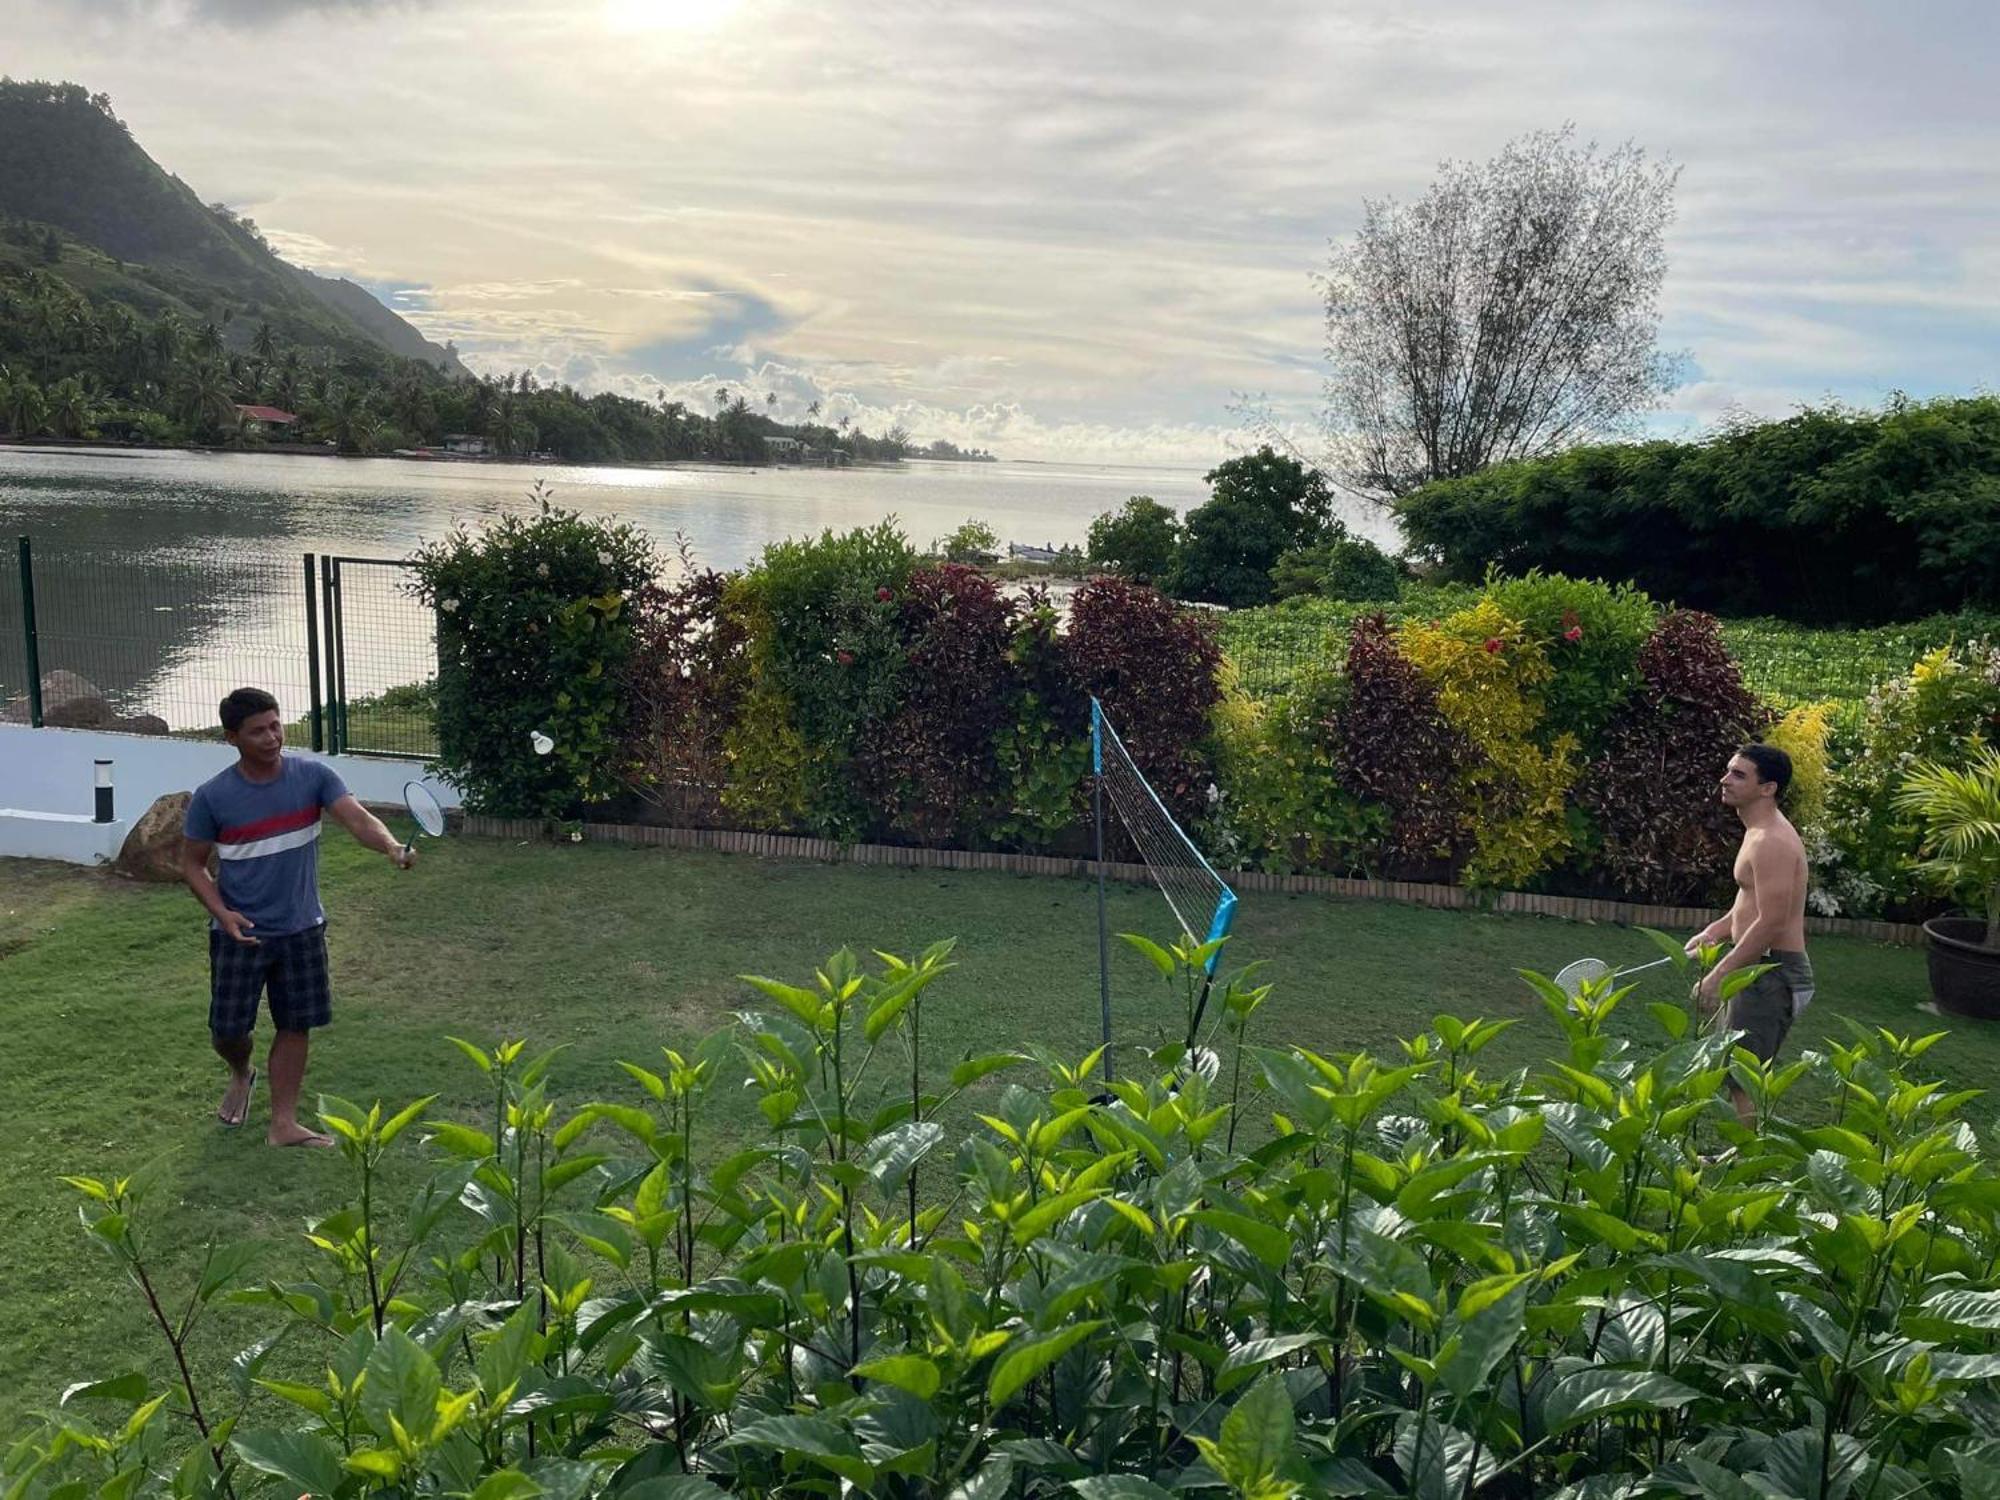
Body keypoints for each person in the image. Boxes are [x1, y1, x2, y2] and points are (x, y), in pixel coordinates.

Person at [180, 687, 412, 1147]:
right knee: (228, 1030)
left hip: (302, 927)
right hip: (240, 933)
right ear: (232, 738)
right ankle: (241, 1071)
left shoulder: (313, 777)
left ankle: (283, 1123)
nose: (272, 737)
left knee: (294, 1023)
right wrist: (222, 913)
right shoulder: (214, 797)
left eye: (275, 725)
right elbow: (191, 863)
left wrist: (389, 846)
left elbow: (359, 820)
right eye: (257, 731)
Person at [1684, 742, 1815, 1129]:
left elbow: (1772, 922)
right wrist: (1716, 930)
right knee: (1735, 1069)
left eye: (1739, 774)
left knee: (1744, 1076)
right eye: (1728, 771)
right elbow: (1750, 903)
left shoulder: (1772, 840)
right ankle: (1740, 1158)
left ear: (1768, 788)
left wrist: (1718, 976)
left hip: (1772, 974)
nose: (1725, 780)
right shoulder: (1757, 831)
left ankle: (1745, 1166)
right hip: (1759, 969)